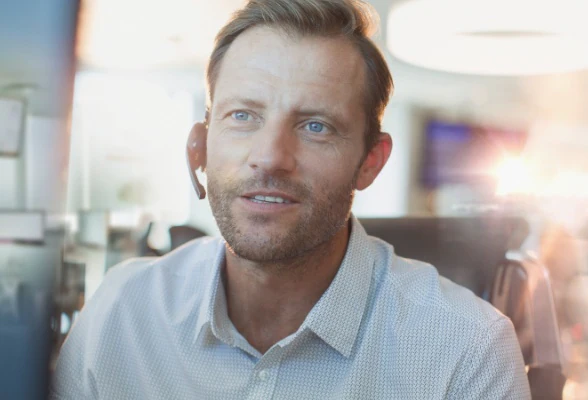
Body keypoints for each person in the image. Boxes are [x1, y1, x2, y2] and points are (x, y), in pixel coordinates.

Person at [51, 0, 530, 398]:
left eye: (316, 126)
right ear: (201, 143)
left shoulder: (467, 350)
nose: (270, 157)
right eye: (243, 116)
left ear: (370, 162)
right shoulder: (122, 313)